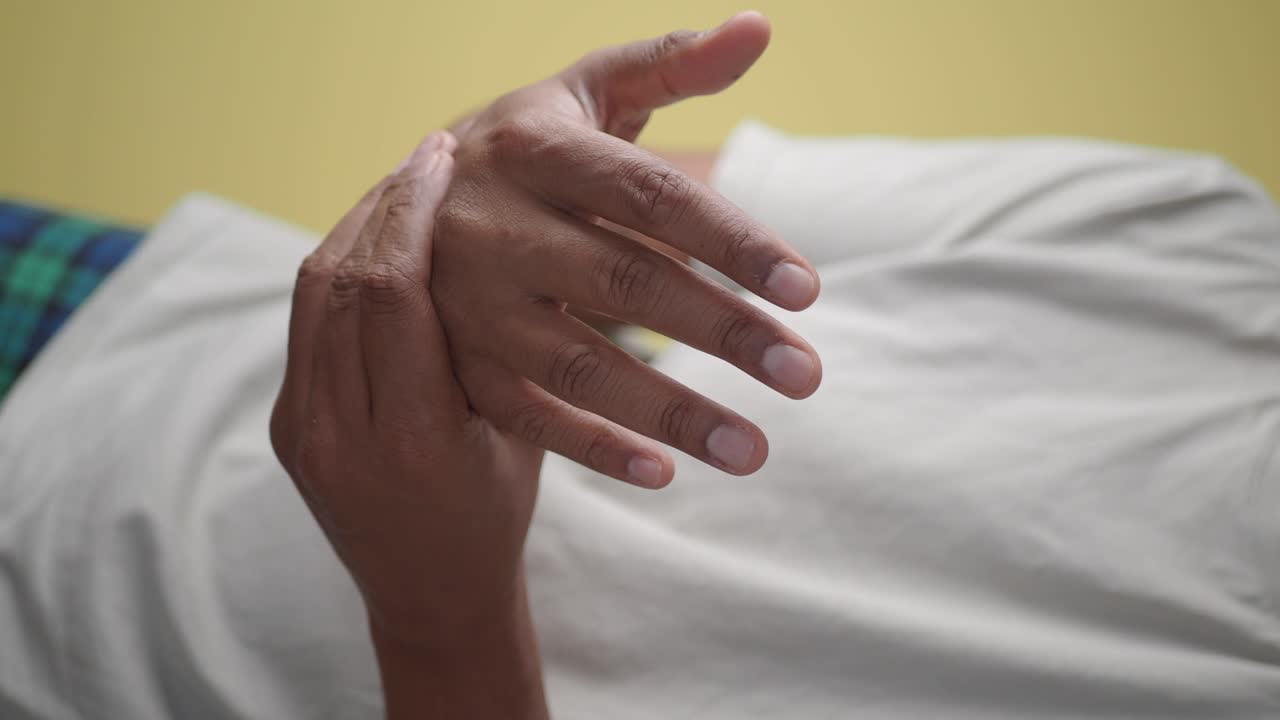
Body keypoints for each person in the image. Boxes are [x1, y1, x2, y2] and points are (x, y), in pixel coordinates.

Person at [2, 11, 1279, 720]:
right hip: (115, 318)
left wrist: (441, 617)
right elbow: (581, 222)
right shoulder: (1214, 250)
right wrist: (491, 189)